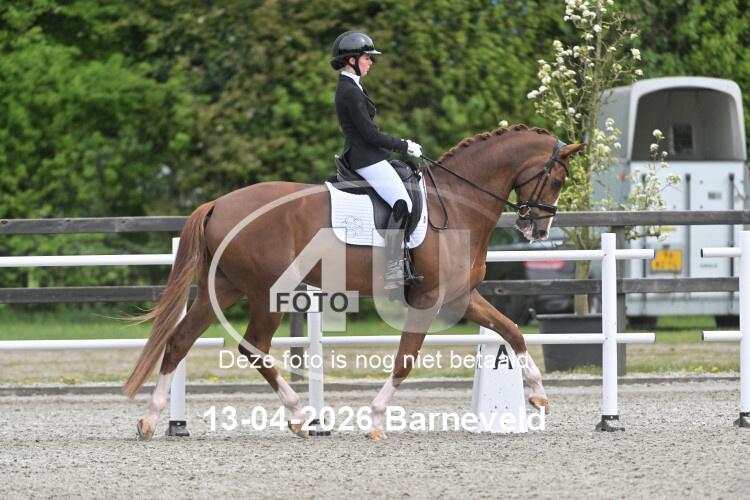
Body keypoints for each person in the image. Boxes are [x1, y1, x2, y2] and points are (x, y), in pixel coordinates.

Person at [331, 30, 423, 289]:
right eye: (366, 58)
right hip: (365, 158)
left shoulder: (353, 86)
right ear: (351, 60)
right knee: (402, 202)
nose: (370, 62)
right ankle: (393, 269)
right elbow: (370, 134)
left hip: (368, 155)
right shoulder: (349, 91)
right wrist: (403, 145)